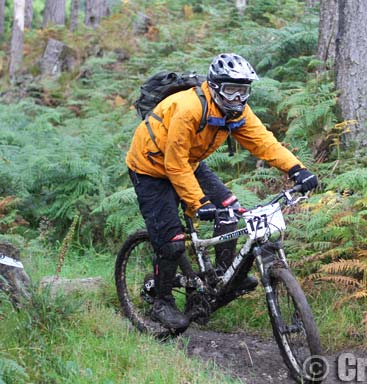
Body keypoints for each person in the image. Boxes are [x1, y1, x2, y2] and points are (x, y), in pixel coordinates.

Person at [125, 53, 318, 330]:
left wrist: (297, 169)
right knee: (172, 241)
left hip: (189, 162)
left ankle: (223, 277)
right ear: (214, 87)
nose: (237, 98)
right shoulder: (189, 109)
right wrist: (199, 203)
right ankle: (161, 301)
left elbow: (265, 143)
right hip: (150, 167)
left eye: (243, 91)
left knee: (230, 209)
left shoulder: (237, 112)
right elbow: (174, 163)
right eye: (231, 90)